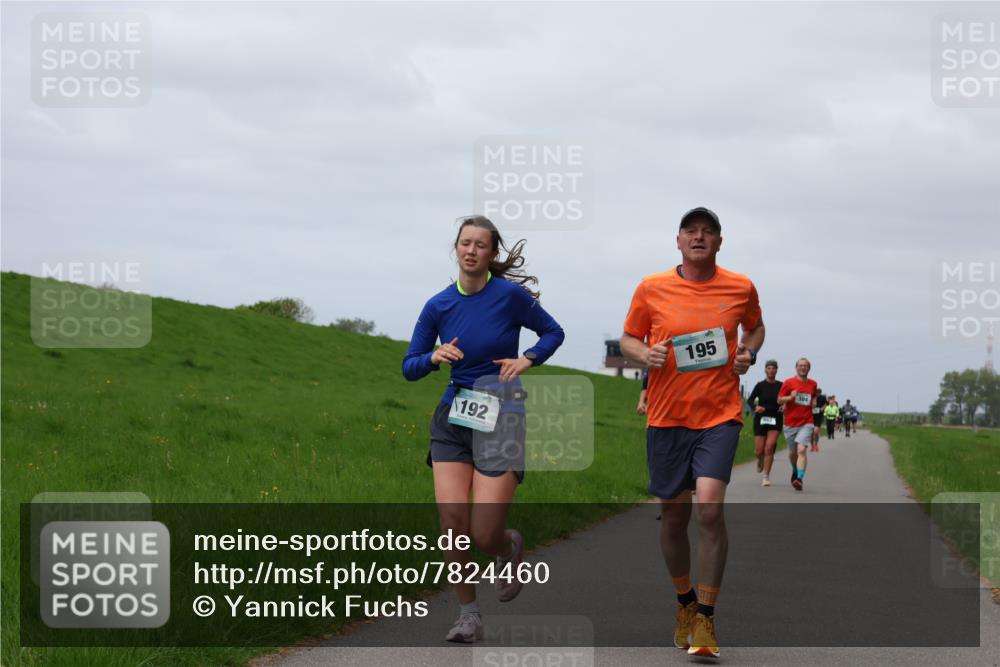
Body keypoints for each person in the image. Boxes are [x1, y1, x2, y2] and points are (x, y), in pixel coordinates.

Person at [402, 215, 565, 643]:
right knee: (452, 521)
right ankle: (468, 614)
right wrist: (434, 358)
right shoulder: (437, 305)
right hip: (452, 418)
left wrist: (527, 358)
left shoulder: (508, 296)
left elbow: (553, 331)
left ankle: (507, 546)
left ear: (492, 253)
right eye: (464, 243)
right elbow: (409, 366)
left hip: (503, 415)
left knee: (483, 531)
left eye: (480, 245)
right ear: (455, 249)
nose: (471, 250)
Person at [620, 206, 765, 659]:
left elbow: (755, 328)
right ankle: (684, 602)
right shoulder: (652, 287)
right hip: (666, 418)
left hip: (719, 415)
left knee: (708, 510)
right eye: (691, 231)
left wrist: (748, 353)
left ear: (720, 242)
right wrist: (645, 356)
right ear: (678, 241)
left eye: (708, 232)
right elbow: (629, 338)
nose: (699, 237)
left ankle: (706, 616)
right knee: (676, 517)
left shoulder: (739, 286)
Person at [778, 358, 818, 491]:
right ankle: (795, 470)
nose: (803, 368)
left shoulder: (813, 384)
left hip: (807, 422)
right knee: (792, 452)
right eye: (800, 366)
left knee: (802, 450)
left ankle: (799, 478)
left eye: (805, 366)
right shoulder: (788, 383)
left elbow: (813, 397)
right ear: (796, 367)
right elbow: (779, 399)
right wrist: (790, 397)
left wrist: (813, 402)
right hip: (790, 423)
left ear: (809, 368)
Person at [748, 360, 782, 487]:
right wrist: (755, 407)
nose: (771, 370)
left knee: (769, 447)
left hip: (775, 417)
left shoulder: (781, 385)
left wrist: (784, 405)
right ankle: (760, 459)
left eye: (773, 368)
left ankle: (766, 477)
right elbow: (750, 400)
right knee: (759, 450)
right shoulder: (760, 385)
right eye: (769, 368)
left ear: (776, 370)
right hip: (761, 418)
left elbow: (787, 399)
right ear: (765, 370)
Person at [811, 388, 828, 452]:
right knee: (811, 433)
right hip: (811, 416)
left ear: (820, 393)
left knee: (816, 431)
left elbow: (826, 404)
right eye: (816, 393)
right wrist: (812, 405)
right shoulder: (811, 397)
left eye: (818, 393)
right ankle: (812, 445)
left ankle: (816, 444)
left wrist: (822, 408)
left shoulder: (822, 397)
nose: (817, 394)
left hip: (819, 416)